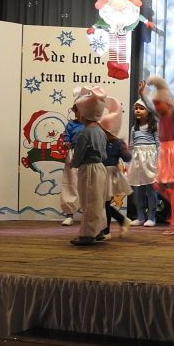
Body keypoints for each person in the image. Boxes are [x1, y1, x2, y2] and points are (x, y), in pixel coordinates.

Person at [146, 75, 174, 235]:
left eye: (158, 103)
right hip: (164, 151)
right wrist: (142, 93)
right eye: (154, 103)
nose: (155, 107)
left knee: (171, 189)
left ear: (167, 103)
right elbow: (149, 107)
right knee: (158, 186)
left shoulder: (171, 115)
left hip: (171, 152)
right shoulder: (159, 116)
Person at [70, 87, 109, 246]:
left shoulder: (84, 133)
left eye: (78, 111)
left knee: (89, 202)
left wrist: (74, 164)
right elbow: (104, 154)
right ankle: (98, 230)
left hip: (89, 170)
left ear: (85, 112)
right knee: (98, 201)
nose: (77, 114)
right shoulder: (101, 131)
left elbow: (79, 154)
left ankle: (87, 234)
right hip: (100, 168)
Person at [127, 83, 160, 227]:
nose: (138, 111)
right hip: (137, 161)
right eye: (136, 109)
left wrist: (159, 162)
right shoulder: (134, 128)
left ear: (148, 111)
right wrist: (128, 164)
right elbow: (131, 146)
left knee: (151, 190)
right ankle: (140, 216)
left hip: (150, 161)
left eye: (141, 108)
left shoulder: (153, 126)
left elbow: (158, 145)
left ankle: (152, 217)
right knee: (138, 190)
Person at [99, 103, 133, 237]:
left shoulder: (118, 143)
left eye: (105, 130)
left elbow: (127, 158)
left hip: (110, 174)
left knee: (105, 203)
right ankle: (121, 220)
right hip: (101, 172)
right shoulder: (102, 141)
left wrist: (125, 150)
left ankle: (107, 231)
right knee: (103, 203)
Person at [60, 101, 84, 226]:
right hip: (73, 153)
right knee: (71, 183)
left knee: (89, 183)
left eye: (79, 110)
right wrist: (66, 143)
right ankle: (69, 214)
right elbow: (66, 137)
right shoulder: (71, 124)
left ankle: (89, 213)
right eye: (76, 110)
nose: (77, 113)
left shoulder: (92, 125)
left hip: (87, 154)